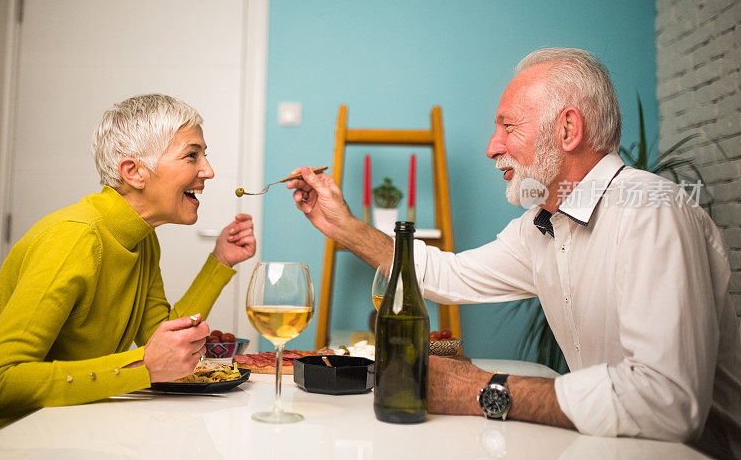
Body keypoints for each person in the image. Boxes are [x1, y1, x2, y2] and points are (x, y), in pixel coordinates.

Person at [286, 49, 741, 458]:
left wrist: (483, 389)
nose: (491, 147)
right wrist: (342, 226)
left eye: (507, 125)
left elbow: (666, 403)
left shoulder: (651, 210)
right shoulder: (540, 226)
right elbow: (446, 275)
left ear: (568, 129)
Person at [0, 94, 256, 454]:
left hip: (62, 433)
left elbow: (161, 340)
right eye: (192, 155)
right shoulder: (74, 238)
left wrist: (220, 261)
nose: (208, 170)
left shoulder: (142, 239)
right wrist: (141, 366)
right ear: (134, 172)